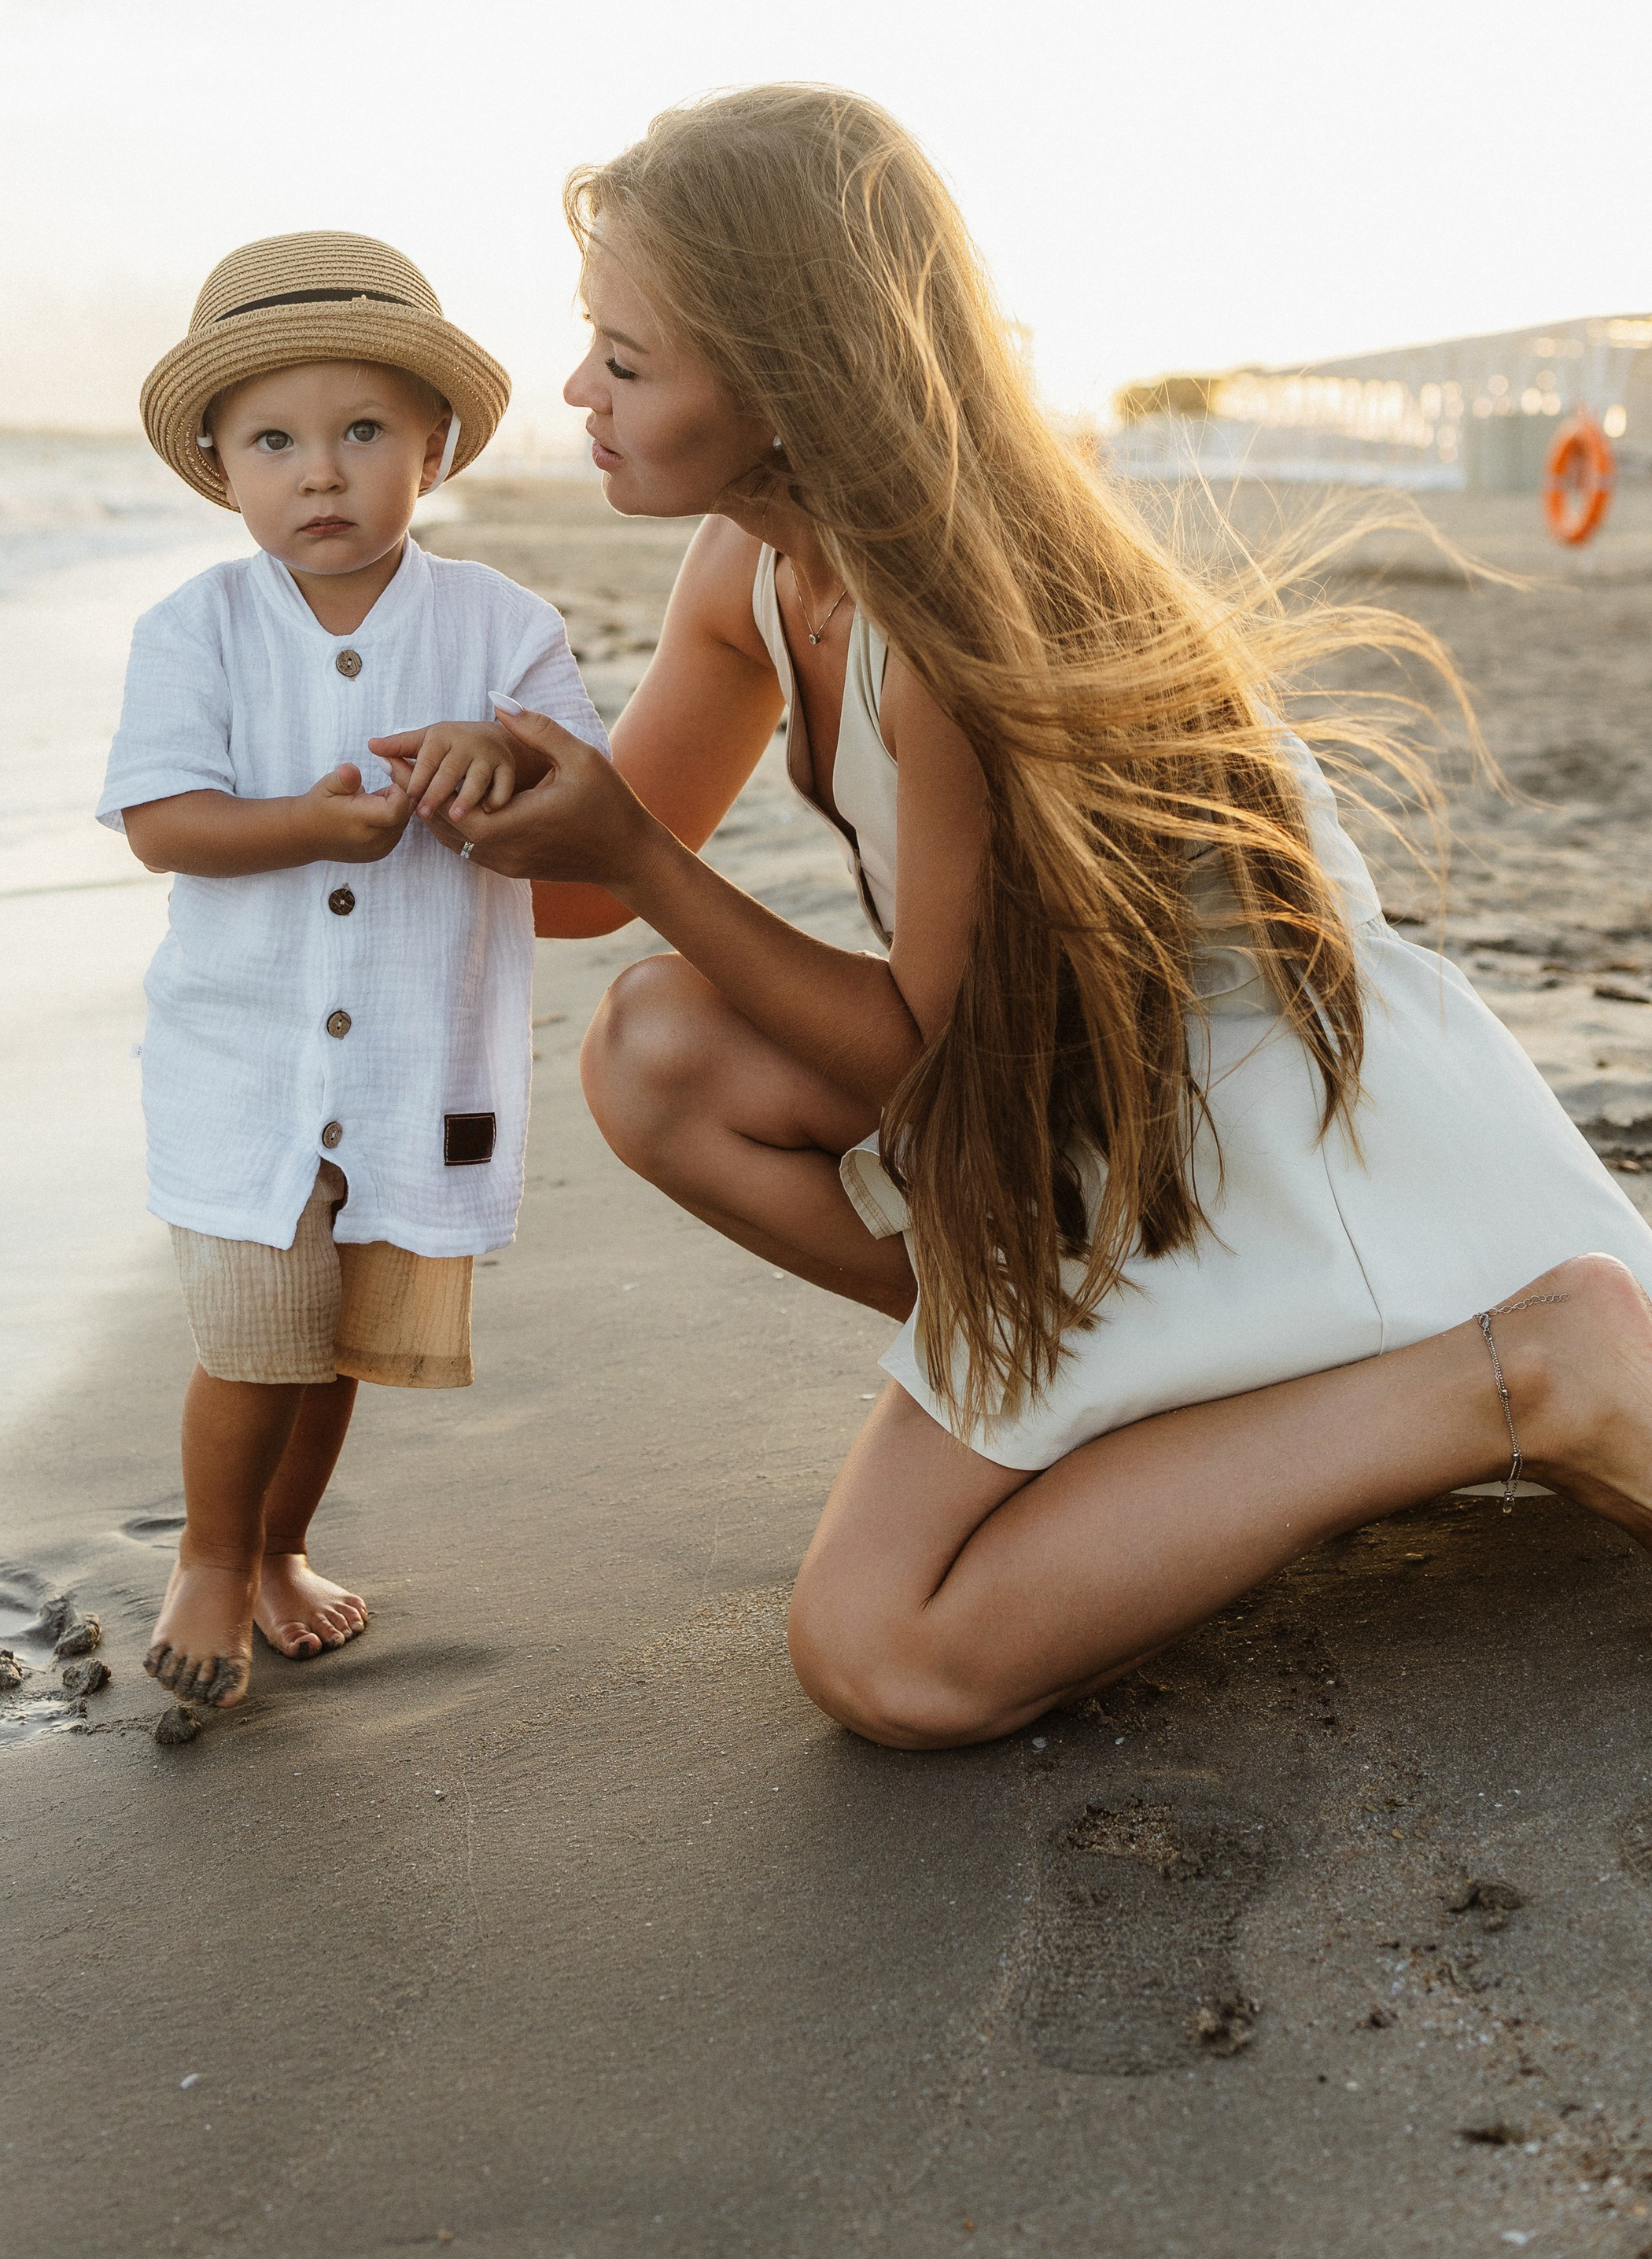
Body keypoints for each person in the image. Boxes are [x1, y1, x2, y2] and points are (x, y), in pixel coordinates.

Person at [449, 85, 1652, 1750]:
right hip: (1065, 1109)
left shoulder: (944, 617)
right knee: (655, 1049)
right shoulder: (742, 567)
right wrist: (403, 768)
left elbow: (919, 1053)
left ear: (790, 381)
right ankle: (1172, 1418)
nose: (573, 390)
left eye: (625, 361)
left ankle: (1518, 1367)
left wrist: (650, 868)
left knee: (887, 1657)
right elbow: (580, 888)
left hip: (1251, 1139)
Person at [99, 230, 606, 1711]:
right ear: (219, 464)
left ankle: (281, 1549)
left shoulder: (501, 626)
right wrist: (311, 825)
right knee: (257, 1325)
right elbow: (162, 823)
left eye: (362, 432)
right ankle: (207, 1550)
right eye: (275, 441)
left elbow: (584, 794)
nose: (319, 473)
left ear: (434, 445)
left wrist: (499, 751)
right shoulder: (195, 627)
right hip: (244, 1057)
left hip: (406, 1055)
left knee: (331, 1348)